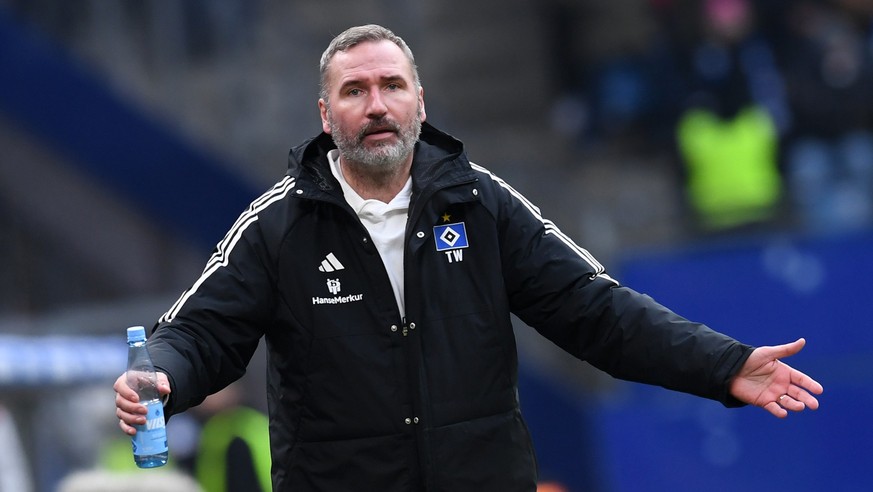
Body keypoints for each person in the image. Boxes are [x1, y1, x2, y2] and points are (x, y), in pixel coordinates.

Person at [115, 24, 823, 491]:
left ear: (420, 101)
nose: (376, 104)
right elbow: (201, 331)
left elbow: (597, 311)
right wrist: (161, 376)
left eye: (391, 85)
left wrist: (723, 365)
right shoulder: (278, 225)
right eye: (354, 91)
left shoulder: (479, 204)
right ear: (326, 117)